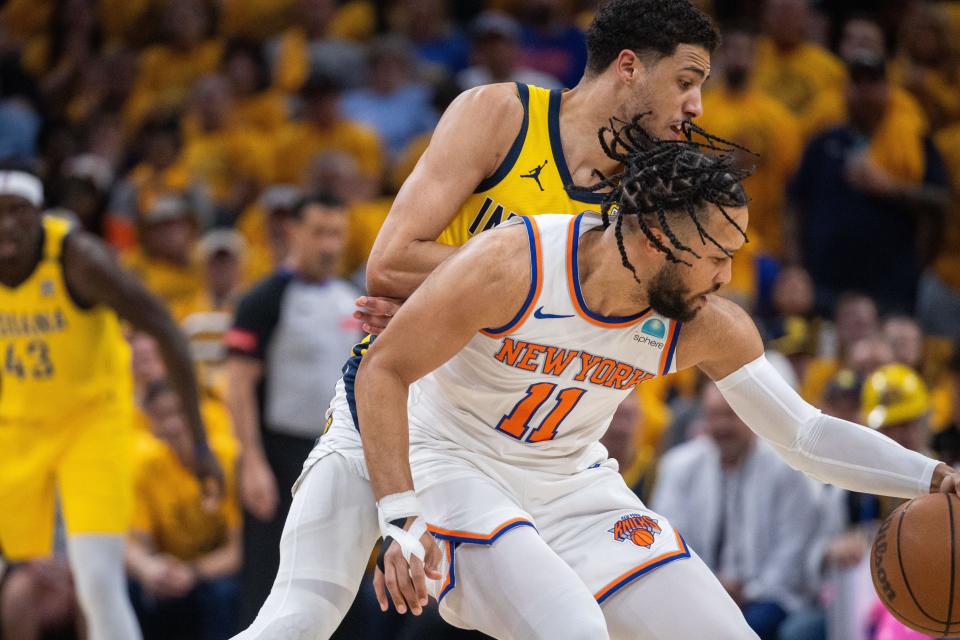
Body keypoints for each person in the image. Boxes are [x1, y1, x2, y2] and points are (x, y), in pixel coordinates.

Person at [356, 124, 959, 640]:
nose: (728, 277)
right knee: (573, 628)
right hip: (456, 467)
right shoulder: (514, 263)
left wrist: (931, 475)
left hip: (571, 484)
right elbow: (383, 368)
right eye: (717, 254)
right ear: (652, 239)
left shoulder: (702, 322)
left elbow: (803, 436)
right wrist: (399, 516)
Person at [234, 1, 721, 637]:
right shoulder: (501, 115)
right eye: (686, 81)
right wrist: (506, 287)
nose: (696, 107)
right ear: (629, 67)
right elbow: (389, 262)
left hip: (513, 444)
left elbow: (617, 320)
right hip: (400, 405)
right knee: (297, 620)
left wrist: (479, 298)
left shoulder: (642, 193)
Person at [0, 166, 221, 640]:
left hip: (90, 425)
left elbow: (163, 326)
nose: (6, 224)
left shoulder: (78, 259)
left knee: (98, 582)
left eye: (18, 210)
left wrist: (200, 443)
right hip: (15, 426)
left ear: (40, 215)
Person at [223, 192, 362, 627]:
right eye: (319, 233)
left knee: (339, 582)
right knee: (270, 581)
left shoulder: (352, 298)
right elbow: (238, 386)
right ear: (293, 233)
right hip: (279, 457)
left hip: (337, 452)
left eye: (336, 234)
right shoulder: (263, 299)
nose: (329, 245)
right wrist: (251, 463)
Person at [652, 384, 821, 640]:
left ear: (751, 416)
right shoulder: (679, 466)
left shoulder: (787, 469)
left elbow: (792, 549)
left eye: (729, 415)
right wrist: (709, 587)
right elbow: (669, 538)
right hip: (699, 592)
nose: (721, 426)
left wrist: (748, 591)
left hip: (769, 596)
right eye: (713, 415)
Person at [127, 380, 242, 640]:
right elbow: (133, 543)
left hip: (214, 573)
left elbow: (241, 550)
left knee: (223, 592)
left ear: (198, 412)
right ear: (152, 424)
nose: (174, 425)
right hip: (170, 570)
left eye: (180, 412)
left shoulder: (228, 458)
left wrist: (194, 572)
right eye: (163, 416)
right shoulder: (146, 467)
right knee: (135, 588)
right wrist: (149, 568)